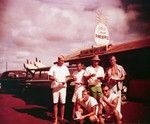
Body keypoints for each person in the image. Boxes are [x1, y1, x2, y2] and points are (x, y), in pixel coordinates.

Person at [48, 55, 70, 124]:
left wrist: (65, 81)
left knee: (63, 103)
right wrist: (54, 78)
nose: (63, 62)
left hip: (63, 87)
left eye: (64, 61)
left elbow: (68, 77)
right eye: (62, 61)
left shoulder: (65, 67)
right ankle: (56, 119)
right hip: (55, 87)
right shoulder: (53, 67)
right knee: (55, 103)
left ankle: (62, 118)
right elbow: (50, 77)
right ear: (58, 60)